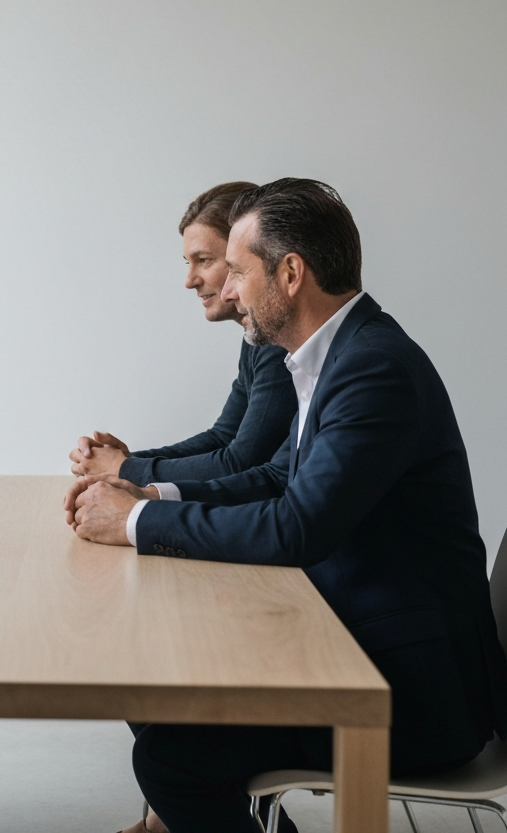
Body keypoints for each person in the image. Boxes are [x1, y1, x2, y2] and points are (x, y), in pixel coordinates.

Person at [65, 178, 507, 833]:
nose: (230, 289)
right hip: (358, 649)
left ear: (291, 273)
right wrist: (149, 493)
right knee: (160, 688)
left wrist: (132, 522)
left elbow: (297, 528)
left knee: (172, 757)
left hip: (406, 695)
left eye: (238, 271)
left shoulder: (373, 367)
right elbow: (277, 476)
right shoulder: (340, 355)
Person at [70, 182, 297, 492]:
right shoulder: (256, 339)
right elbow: (223, 437)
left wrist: (125, 468)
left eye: (204, 260)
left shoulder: (279, 343)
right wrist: (123, 461)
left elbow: (241, 461)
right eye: (188, 263)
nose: (189, 281)